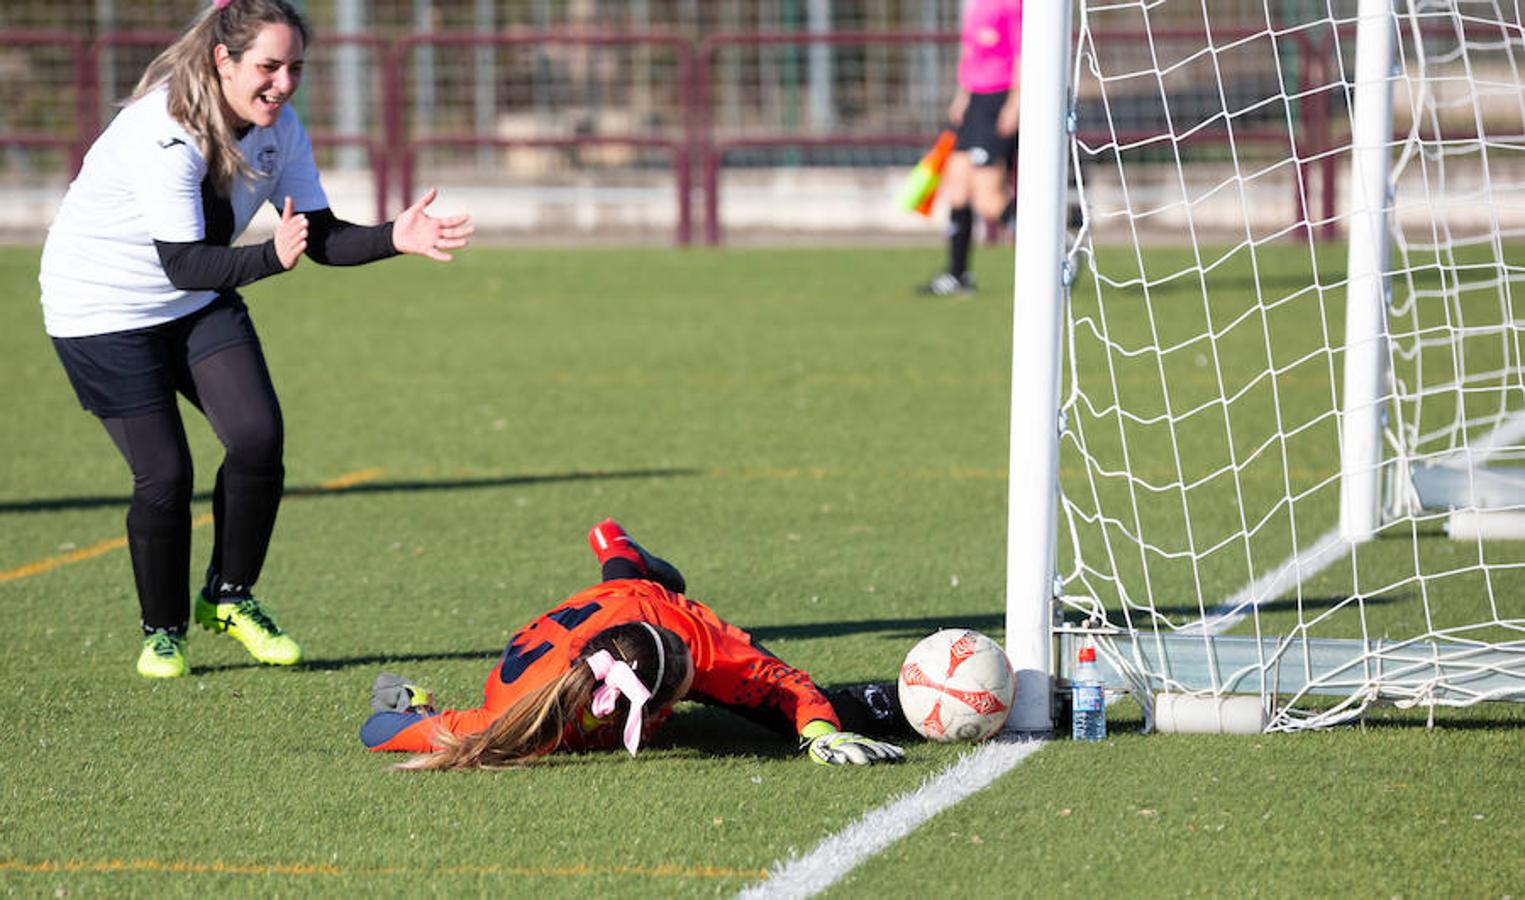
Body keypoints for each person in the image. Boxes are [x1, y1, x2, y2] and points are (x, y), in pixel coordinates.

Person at [38, 0, 474, 679]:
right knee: (164, 475)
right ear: (224, 60)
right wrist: (271, 258)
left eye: (295, 67)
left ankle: (230, 596)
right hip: (101, 310)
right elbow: (183, 262)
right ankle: (163, 633)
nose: (284, 83)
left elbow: (319, 235)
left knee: (256, 437)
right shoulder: (166, 131)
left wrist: (395, 236)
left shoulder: (281, 128)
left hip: (193, 298)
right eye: (268, 67)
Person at [361, 519, 912, 769]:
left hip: (636, 609)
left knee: (792, 715)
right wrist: (415, 707)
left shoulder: (698, 640)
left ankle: (622, 551)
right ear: (658, 704)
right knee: (622, 588)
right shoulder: (518, 719)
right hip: (601, 617)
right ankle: (616, 547)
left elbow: (783, 683)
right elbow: (377, 731)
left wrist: (819, 731)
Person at [919, 0, 1023, 297]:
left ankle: (1056, 242)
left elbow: (1022, 55)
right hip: (976, 101)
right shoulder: (976, 4)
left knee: (987, 199)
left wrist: (1014, 104)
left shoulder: (1012, 6)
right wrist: (963, 94)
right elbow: (971, 53)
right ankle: (957, 274)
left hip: (998, 101)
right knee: (957, 189)